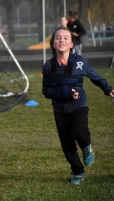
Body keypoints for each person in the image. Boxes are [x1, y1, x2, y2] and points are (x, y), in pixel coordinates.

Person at [42, 26, 114, 185]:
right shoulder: (49, 66)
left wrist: (107, 88)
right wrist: (65, 94)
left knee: (80, 132)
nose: (61, 40)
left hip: (79, 105)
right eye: (58, 38)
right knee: (67, 144)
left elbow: (94, 76)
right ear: (53, 44)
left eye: (65, 38)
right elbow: (46, 91)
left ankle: (87, 148)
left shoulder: (80, 61)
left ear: (71, 44)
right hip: (59, 109)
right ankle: (77, 171)